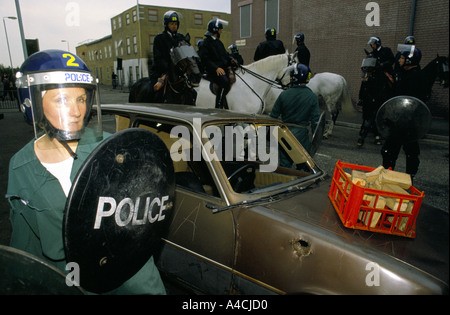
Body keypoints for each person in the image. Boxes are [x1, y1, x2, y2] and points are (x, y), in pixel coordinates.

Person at [7, 49, 166, 295]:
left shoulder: (117, 150)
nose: (76, 111)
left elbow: (137, 231)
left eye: (81, 99)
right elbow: (26, 247)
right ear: (31, 102)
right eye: (62, 100)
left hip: (127, 283)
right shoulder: (21, 166)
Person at [381, 46, 424, 179]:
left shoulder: (416, 77)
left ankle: (407, 179)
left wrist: (395, 84)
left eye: (402, 58)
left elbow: (406, 98)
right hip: (399, 121)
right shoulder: (404, 73)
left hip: (406, 122)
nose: (399, 59)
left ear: (410, 61)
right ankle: (390, 176)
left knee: (407, 152)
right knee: (390, 151)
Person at [270, 63, 320, 165]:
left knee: (285, 165)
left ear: (293, 78)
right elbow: (316, 122)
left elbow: (273, 117)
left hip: (284, 134)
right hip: (302, 135)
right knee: (303, 165)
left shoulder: (284, 94)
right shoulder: (312, 97)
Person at [199, 18, 234, 109]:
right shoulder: (205, 43)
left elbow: (225, 55)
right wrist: (216, 68)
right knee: (225, 82)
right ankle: (219, 105)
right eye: (220, 29)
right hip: (212, 70)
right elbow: (205, 59)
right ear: (216, 30)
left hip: (222, 68)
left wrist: (231, 59)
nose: (221, 31)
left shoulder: (219, 42)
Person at [150, 10, 185, 100]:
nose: (174, 26)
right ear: (166, 25)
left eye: (176, 24)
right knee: (156, 89)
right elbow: (158, 58)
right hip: (162, 70)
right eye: (172, 23)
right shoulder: (159, 38)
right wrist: (170, 67)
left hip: (179, 70)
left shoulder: (181, 37)